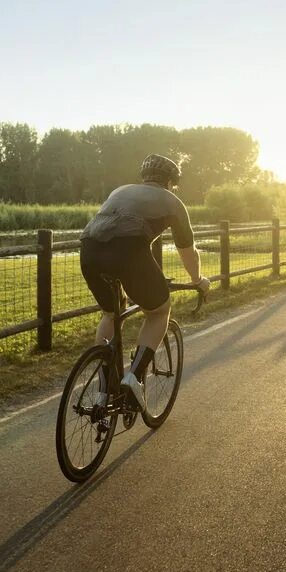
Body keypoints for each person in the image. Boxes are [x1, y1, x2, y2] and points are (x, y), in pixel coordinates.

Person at [79, 153, 210, 410]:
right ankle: (134, 378)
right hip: (129, 251)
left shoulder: (121, 190)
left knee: (110, 312)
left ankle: (103, 390)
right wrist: (198, 280)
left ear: (145, 177)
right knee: (159, 311)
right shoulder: (173, 202)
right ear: (171, 182)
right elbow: (188, 251)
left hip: (89, 249)